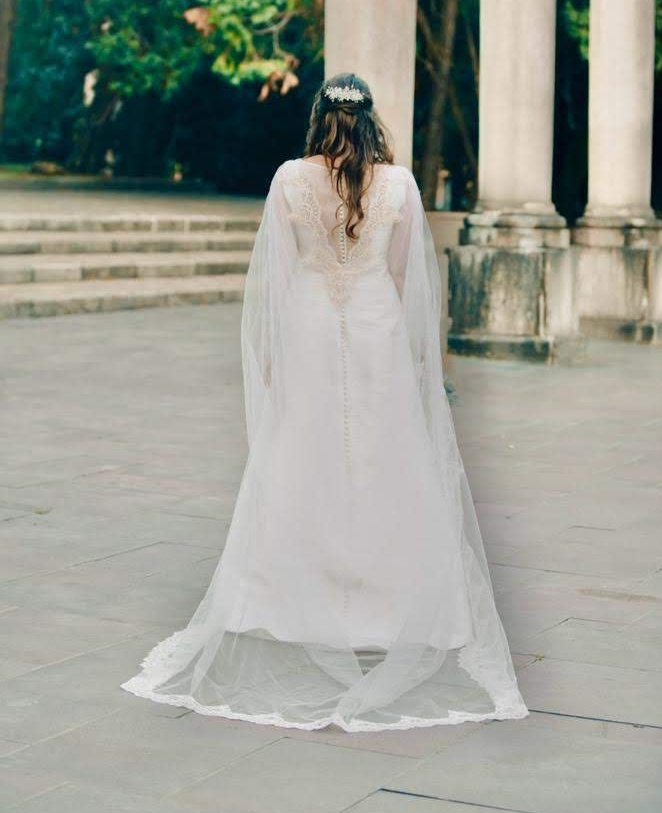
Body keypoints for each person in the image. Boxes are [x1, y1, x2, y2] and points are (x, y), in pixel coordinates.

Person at [121, 72, 529, 732]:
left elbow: (278, 278)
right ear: (371, 119)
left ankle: (296, 593)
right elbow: (402, 277)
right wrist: (422, 362)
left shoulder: (288, 178)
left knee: (306, 450)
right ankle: (384, 595)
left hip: (311, 322)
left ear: (317, 117)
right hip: (375, 324)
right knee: (381, 452)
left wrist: (273, 357)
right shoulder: (397, 184)